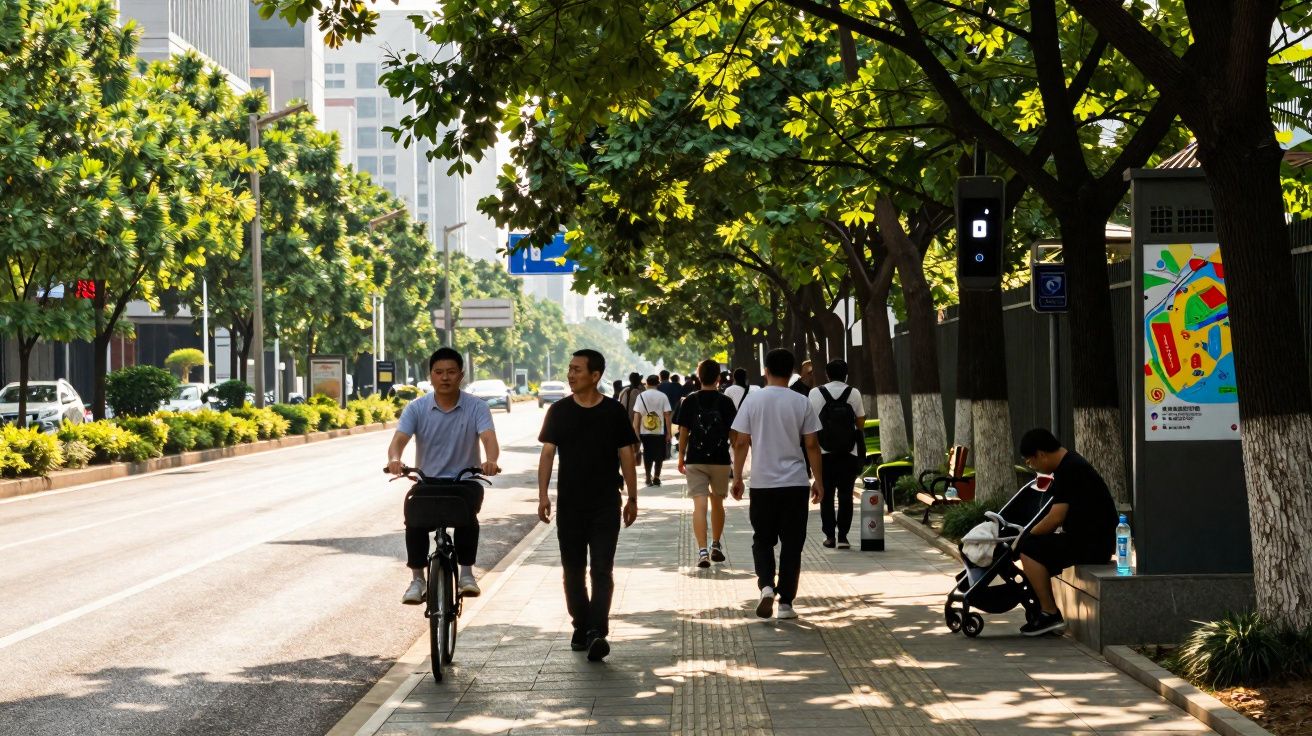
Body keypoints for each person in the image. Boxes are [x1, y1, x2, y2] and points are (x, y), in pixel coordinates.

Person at [537, 349, 640, 661]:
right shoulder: (559, 411)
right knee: (573, 572)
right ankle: (580, 624)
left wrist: (633, 497)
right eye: (570, 369)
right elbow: (547, 453)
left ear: (595, 376)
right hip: (570, 505)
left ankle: (597, 631)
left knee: (602, 570)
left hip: (606, 504)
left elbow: (626, 455)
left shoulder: (613, 411)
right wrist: (543, 495)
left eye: (577, 370)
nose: (571, 375)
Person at [388, 347, 501, 604]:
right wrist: (395, 459)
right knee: (413, 512)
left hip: (465, 480)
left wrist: (491, 461)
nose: (445, 377)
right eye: (439, 372)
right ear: (430, 376)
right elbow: (399, 441)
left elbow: (488, 439)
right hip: (427, 482)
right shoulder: (416, 408)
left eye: (451, 372)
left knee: (466, 515)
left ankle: (466, 575)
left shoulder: (477, 407)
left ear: (461, 375)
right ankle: (417, 580)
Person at [731, 348, 823, 621]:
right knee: (792, 543)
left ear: (766, 371)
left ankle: (766, 587)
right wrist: (819, 480)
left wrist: (738, 477)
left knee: (762, 539)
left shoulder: (752, 400)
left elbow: (740, 442)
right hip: (795, 483)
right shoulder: (801, 401)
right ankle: (786, 604)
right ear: (792, 371)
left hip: (762, 483)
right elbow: (812, 444)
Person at [1016, 428, 1117, 636]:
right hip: (1091, 540)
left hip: (1093, 545)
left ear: (1041, 454)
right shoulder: (1070, 464)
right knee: (1035, 545)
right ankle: (1045, 609)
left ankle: (1050, 613)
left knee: (1028, 548)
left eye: (1030, 461)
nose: (1032, 466)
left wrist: (1024, 536)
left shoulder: (1070, 470)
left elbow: (1055, 518)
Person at [674, 359, 738, 568]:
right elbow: (734, 435)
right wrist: (737, 462)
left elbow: (684, 432)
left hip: (696, 459)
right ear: (718, 378)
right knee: (717, 503)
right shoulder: (726, 402)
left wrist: (681, 456)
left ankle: (702, 551)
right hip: (720, 460)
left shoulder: (689, 401)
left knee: (699, 506)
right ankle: (716, 544)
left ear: (698, 377)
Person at [809, 359, 866, 550]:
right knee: (845, 495)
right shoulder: (854, 393)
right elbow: (860, 423)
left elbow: (810, 423)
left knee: (825, 495)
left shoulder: (815, 393)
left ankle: (829, 536)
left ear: (827, 375)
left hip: (823, 453)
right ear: (846, 375)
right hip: (849, 452)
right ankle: (843, 536)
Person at [632, 375, 673, 486]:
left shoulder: (641, 396)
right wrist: (669, 433)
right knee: (659, 454)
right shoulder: (663, 396)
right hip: (659, 431)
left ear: (647, 383)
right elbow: (667, 415)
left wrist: (636, 432)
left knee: (647, 454)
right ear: (658, 383)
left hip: (644, 431)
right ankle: (656, 477)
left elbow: (637, 416)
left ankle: (647, 477)